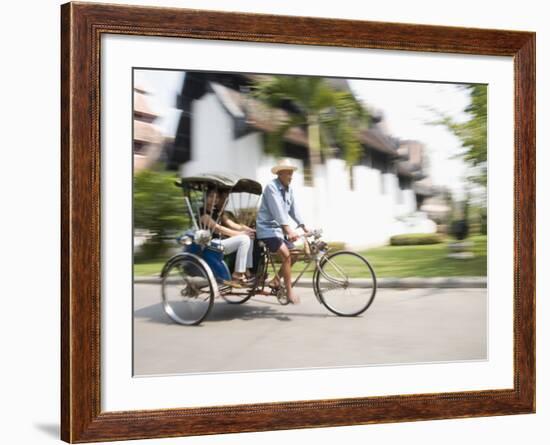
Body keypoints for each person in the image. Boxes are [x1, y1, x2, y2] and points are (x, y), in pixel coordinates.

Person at [256, 159, 309, 304]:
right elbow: (278, 211)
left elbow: (293, 209)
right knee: (286, 254)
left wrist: (302, 225)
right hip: (267, 230)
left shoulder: (289, 189)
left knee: (295, 254)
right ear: (280, 173)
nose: (291, 176)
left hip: (279, 231)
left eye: (292, 173)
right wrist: (288, 230)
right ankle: (289, 291)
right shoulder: (271, 187)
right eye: (288, 173)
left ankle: (275, 280)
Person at [200, 188, 256, 286]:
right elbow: (218, 228)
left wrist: (249, 230)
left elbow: (232, 224)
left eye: (217, 197)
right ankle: (237, 275)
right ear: (205, 198)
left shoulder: (217, 212)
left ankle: (246, 271)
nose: (215, 199)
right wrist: (240, 234)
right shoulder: (203, 213)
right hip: (211, 244)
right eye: (211, 196)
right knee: (244, 239)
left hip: (221, 243)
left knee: (249, 236)